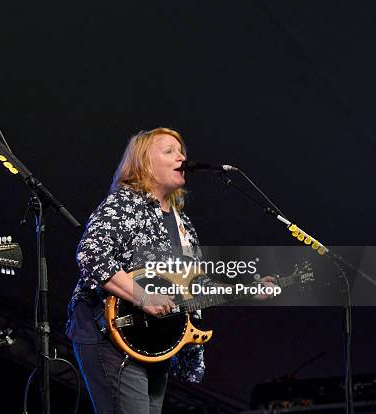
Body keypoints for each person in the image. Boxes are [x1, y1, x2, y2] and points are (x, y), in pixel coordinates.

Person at [66, 127, 273, 414]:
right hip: (111, 335)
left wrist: (249, 289)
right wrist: (143, 296)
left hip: (153, 343)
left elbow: (194, 286)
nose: (182, 157)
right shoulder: (125, 203)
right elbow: (92, 254)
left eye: (181, 151)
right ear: (143, 163)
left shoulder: (182, 222)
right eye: (169, 151)